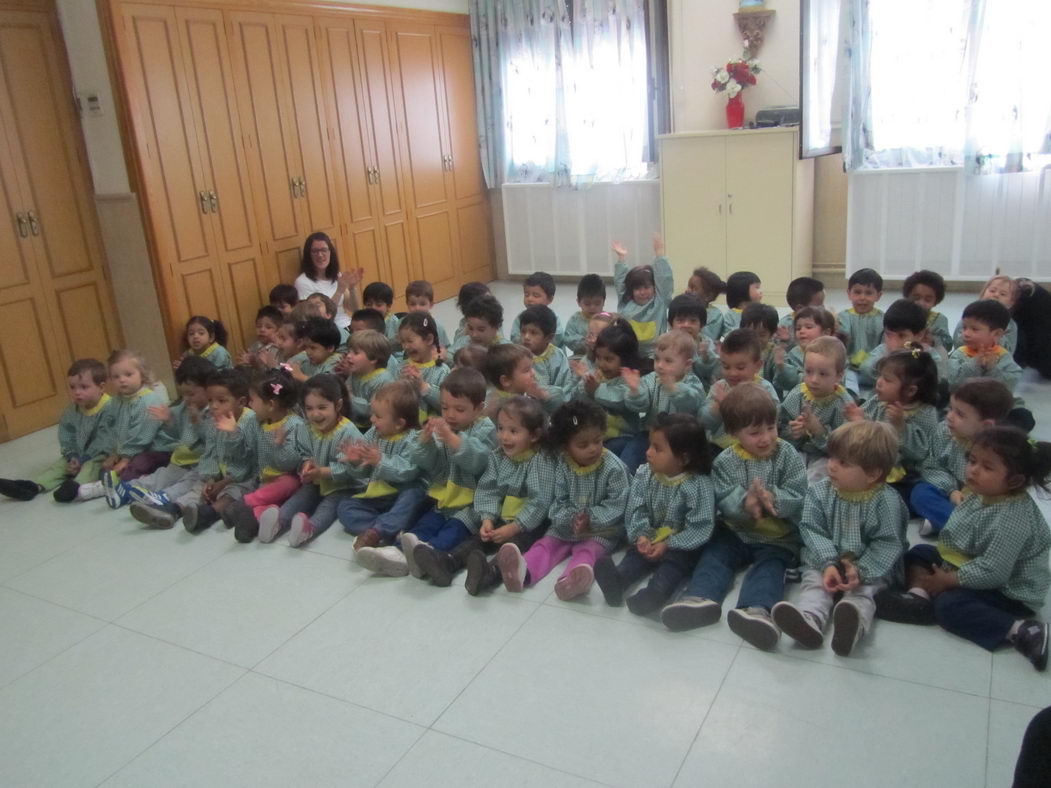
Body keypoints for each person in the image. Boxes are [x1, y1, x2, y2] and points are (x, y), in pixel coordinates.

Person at [877, 427, 1050, 672]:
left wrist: (949, 579)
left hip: (1007, 590)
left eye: (987, 467)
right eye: (972, 461)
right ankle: (919, 597)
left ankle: (1021, 630)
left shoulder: (1013, 518)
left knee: (950, 606)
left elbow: (994, 572)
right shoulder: (983, 493)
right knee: (918, 553)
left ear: (1015, 481)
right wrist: (946, 568)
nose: (973, 470)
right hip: (970, 564)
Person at [663, 383, 806, 649]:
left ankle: (756, 610)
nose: (765, 438)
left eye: (771, 428)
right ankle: (699, 598)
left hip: (779, 535)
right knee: (715, 556)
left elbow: (799, 493)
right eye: (754, 432)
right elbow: (722, 495)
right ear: (733, 433)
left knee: (771, 567)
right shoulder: (725, 461)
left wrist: (772, 498)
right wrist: (745, 502)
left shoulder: (787, 455)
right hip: (736, 530)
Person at [773, 420, 907, 656]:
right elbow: (812, 528)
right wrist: (828, 563)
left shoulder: (887, 502)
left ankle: (853, 625)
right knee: (815, 582)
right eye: (832, 457)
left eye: (843, 462)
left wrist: (861, 570)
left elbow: (887, 543)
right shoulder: (819, 491)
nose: (831, 466)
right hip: (827, 558)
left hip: (870, 564)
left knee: (864, 592)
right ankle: (809, 619)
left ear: (873, 473)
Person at [356, 368, 496, 579]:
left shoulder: (484, 429)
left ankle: (428, 556)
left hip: (473, 503)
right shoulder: (445, 425)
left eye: (459, 409)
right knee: (426, 524)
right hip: (443, 497)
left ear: (479, 409)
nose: (450, 414)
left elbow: (478, 462)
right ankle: (396, 554)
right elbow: (431, 464)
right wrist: (425, 441)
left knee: (454, 530)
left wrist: (451, 438)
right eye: (445, 407)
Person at [496, 400, 629, 601]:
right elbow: (558, 501)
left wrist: (590, 519)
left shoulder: (613, 468)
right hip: (566, 526)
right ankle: (523, 571)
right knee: (546, 544)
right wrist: (571, 519)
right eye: (583, 444)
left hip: (601, 529)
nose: (593, 448)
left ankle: (574, 579)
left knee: (589, 550)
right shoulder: (562, 465)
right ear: (565, 447)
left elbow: (618, 504)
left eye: (598, 440)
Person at [427, 396, 556, 591]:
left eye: (513, 431)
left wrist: (515, 527)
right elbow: (488, 488)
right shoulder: (498, 456)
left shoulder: (541, 461)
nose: (504, 437)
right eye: (501, 429)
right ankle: (448, 562)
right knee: (479, 539)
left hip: (530, 523)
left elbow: (540, 502)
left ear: (534, 435)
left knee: (513, 546)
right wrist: (487, 518)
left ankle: (491, 573)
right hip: (503, 516)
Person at [594, 413, 715, 615]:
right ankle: (619, 580)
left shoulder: (697, 485)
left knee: (674, 565)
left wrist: (668, 544)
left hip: (682, 544)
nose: (648, 452)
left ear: (683, 458)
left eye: (657, 449)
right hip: (651, 534)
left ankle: (656, 593)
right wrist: (641, 535)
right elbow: (636, 507)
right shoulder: (645, 474)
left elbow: (699, 526)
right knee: (635, 557)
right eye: (650, 445)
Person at [257, 374, 362, 547]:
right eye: (309, 408)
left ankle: (309, 529)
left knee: (328, 507)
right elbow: (303, 452)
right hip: (317, 481)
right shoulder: (305, 429)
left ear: (338, 406)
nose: (316, 414)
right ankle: (278, 521)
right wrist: (306, 466)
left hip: (345, 486)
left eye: (322, 407)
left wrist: (322, 472)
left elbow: (353, 470)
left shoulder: (348, 433)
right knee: (302, 496)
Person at [0, 359, 114, 503]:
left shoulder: (110, 409)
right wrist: (72, 455)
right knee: (59, 467)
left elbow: (105, 439)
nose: (77, 392)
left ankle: (75, 487)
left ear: (101, 387)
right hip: (78, 454)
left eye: (84, 387)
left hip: (101, 455)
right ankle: (34, 486)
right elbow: (67, 434)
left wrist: (84, 459)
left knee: (90, 468)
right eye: (72, 387)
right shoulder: (72, 410)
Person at [911, 379, 1014, 536]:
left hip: (982, 500)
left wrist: (976, 497)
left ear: (986, 426)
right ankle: (960, 528)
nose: (949, 416)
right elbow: (932, 466)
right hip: (950, 493)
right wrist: (951, 491)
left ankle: (951, 527)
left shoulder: (1000, 451)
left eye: (959, 414)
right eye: (950, 408)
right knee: (920, 493)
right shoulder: (944, 431)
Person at [336, 380, 429, 550]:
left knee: (414, 495)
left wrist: (380, 460)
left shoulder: (414, 438)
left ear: (399, 423)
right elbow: (362, 474)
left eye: (378, 416)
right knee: (345, 507)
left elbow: (408, 472)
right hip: (378, 497)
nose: (371, 419)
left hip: (401, 494)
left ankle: (379, 530)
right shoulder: (373, 433)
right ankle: (386, 529)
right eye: (372, 414)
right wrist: (356, 461)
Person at [122, 356, 215, 526]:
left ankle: (164, 498)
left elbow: (208, 442)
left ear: (208, 390)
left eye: (191, 393)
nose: (186, 398)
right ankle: (128, 488)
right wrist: (168, 422)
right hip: (183, 459)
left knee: (190, 482)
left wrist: (198, 423)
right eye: (183, 394)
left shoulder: (212, 412)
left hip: (204, 463)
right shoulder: (184, 408)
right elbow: (178, 434)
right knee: (163, 475)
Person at [845, 345, 939, 503]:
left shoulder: (925, 414)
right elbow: (868, 429)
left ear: (911, 390)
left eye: (887, 380)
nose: (879, 383)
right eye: (879, 376)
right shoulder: (878, 402)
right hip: (874, 466)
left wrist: (900, 426)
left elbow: (922, 453)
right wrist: (858, 420)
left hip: (906, 477)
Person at [223, 367, 306, 542]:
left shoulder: (294, 425)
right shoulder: (256, 422)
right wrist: (233, 434)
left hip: (289, 481)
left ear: (271, 404)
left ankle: (244, 503)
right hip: (264, 482)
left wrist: (279, 445)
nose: (250, 405)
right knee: (270, 505)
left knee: (287, 483)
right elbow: (244, 454)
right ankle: (253, 521)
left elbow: (290, 464)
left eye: (253, 400)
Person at [180, 368, 260, 534]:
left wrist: (233, 434)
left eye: (222, 401)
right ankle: (176, 509)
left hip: (244, 476)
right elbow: (211, 452)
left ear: (241, 402)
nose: (214, 406)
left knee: (234, 492)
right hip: (222, 475)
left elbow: (247, 463)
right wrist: (211, 479)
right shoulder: (213, 419)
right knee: (198, 486)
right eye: (210, 400)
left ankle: (208, 514)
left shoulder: (250, 421)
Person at [621, 330, 707, 473]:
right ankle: (627, 486)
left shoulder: (693, 383)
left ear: (687, 364)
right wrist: (635, 391)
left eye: (668, 361)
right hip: (650, 434)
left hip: (682, 439)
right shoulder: (651, 379)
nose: (660, 365)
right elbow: (640, 406)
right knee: (628, 460)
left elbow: (693, 404)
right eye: (657, 359)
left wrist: (673, 388)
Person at [571, 319, 646, 474]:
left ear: (625, 359)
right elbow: (578, 401)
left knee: (620, 466)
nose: (602, 364)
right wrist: (585, 385)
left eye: (609, 359)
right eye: (599, 358)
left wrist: (595, 391)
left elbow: (620, 400)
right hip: (595, 439)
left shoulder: (630, 380)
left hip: (622, 437)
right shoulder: (597, 375)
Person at [778, 336, 853, 481]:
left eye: (823, 374)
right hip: (798, 451)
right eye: (809, 371)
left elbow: (843, 448)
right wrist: (793, 432)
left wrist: (818, 430)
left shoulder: (843, 404)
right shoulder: (798, 393)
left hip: (826, 458)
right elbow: (781, 428)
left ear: (839, 375)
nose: (813, 380)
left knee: (816, 477)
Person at [700, 328, 781, 451]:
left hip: (755, 446)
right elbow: (704, 422)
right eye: (726, 367)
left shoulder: (764, 388)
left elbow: (774, 416)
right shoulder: (720, 387)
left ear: (757, 366)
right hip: (721, 448)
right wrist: (717, 408)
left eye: (740, 367)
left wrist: (731, 407)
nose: (732, 373)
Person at [613, 234, 674, 357]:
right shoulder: (626, 302)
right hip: (630, 353)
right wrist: (621, 258)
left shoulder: (659, 302)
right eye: (637, 288)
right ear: (631, 290)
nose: (642, 292)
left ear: (654, 288)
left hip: (655, 355)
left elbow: (665, 280)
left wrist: (659, 255)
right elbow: (620, 283)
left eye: (646, 287)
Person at [293, 231, 358, 329]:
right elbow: (316, 317)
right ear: (308, 255)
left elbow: (354, 309)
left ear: (330, 252)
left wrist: (352, 288)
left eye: (324, 250)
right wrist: (339, 291)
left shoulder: (337, 275)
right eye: (315, 251)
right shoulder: (302, 282)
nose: (320, 255)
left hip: (347, 324)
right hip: (328, 330)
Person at [337, 329, 394, 431]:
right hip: (354, 424)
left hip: (372, 428)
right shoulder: (356, 373)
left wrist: (351, 398)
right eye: (349, 351)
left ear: (373, 358)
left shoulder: (382, 380)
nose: (349, 356)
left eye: (355, 353)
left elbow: (374, 410)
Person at [397, 312, 449, 422]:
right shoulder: (401, 367)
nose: (405, 346)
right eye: (402, 342)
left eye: (410, 341)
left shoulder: (442, 371)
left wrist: (423, 386)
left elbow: (447, 405)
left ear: (429, 339)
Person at [951, 274, 1020, 353]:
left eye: (1003, 294)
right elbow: (957, 342)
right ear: (983, 293)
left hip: (995, 361)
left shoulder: (1010, 325)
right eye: (992, 290)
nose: (996, 295)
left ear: (1011, 303)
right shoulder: (970, 316)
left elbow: (1009, 351)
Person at [839, 267, 885, 371]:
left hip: (873, 366)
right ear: (849, 293)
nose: (862, 297)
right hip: (847, 366)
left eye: (868, 293)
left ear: (878, 295)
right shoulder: (842, 318)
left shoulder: (883, 319)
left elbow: (884, 347)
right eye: (857, 292)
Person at [508, 271, 564, 347]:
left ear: (550, 299)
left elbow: (557, 337)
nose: (529, 299)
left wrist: (537, 344)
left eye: (536, 295)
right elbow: (514, 337)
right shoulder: (520, 317)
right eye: (526, 295)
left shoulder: (553, 318)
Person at [903, 269, 953, 350]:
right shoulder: (899, 316)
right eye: (916, 298)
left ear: (936, 301)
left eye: (927, 300)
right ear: (907, 297)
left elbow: (948, 344)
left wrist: (933, 341)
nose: (921, 303)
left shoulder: (940, 320)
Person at [563, 274, 606, 357]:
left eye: (597, 303)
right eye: (587, 304)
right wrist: (585, 342)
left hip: (601, 357)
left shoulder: (607, 319)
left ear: (603, 302)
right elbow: (568, 339)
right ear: (578, 302)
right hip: (580, 356)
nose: (592, 307)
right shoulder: (575, 319)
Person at [777, 276, 825, 349]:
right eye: (818, 306)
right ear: (800, 308)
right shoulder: (785, 326)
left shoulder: (822, 319)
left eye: (822, 304)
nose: (823, 308)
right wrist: (787, 341)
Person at [404, 280, 449, 351]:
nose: (417, 308)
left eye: (422, 304)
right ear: (407, 304)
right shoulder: (402, 324)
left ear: (431, 304)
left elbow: (445, 349)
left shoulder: (437, 327)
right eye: (412, 304)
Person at [685, 266, 726, 342]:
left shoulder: (715, 315)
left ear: (708, 296)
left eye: (693, 288)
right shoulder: (682, 308)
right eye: (688, 286)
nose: (687, 290)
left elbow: (708, 338)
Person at [720, 271, 763, 336]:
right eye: (757, 287)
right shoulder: (731, 315)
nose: (761, 291)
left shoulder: (762, 312)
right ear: (742, 289)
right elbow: (727, 335)